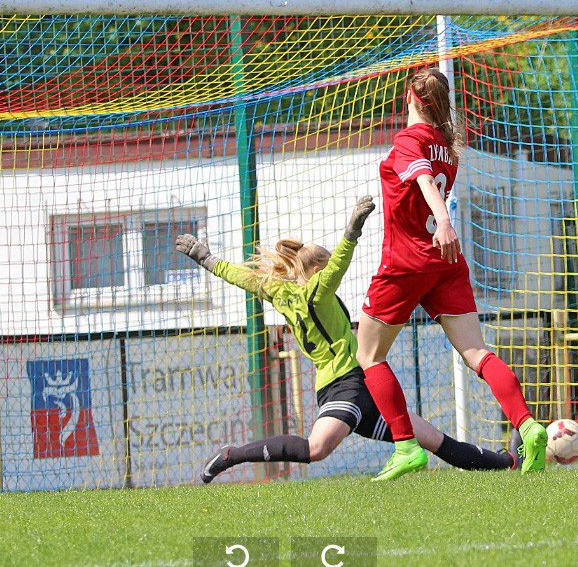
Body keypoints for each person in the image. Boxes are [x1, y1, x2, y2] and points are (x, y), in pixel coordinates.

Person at [176, 197, 517, 484]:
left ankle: (507, 463)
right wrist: (351, 233)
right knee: (316, 449)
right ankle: (230, 456)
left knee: (430, 438)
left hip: (357, 386)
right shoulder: (318, 292)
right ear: (316, 270)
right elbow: (338, 265)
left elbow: (244, 278)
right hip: (347, 386)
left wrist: (207, 260)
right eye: (322, 269)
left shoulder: (278, 291)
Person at [355, 67, 547, 481]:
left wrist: (443, 221)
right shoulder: (447, 146)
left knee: (368, 355)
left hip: (408, 261)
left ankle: (406, 446)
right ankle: (528, 425)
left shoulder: (411, 140)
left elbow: (422, 180)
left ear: (409, 97)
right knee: (477, 352)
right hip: (446, 264)